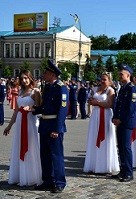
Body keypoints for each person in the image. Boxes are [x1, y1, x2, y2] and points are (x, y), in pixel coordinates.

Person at [33, 60, 69, 193]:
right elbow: (44, 107)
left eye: (46, 73)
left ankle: (59, 182)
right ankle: (47, 180)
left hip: (54, 125)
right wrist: (34, 110)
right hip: (44, 124)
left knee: (56, 155)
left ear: (53, 74)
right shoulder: (47, 87)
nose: (44, 75)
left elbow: (62, 110)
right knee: (45, 155)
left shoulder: (61, 88)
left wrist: (57, 129)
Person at [3, 70, 42, 186]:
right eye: (22, 78)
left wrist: (30, 109)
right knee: (19, 146)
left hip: (30, 122)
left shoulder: (35, 92)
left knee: (31, 147)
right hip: (20, 121)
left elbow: (40, 108)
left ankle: (32, 176)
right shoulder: (19, 92)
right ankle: (20, 174)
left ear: (30, 78)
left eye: (26, 78)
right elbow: (16, 111)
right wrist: (9, 126)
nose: (24, 80)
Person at [83, 73, 120, 174]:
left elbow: (109, 104)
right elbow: (90, 99)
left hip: (106, 115)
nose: (102, 81)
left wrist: (97, 103)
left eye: (105, 79)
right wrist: (91, 102)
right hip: (95, 115)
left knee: (106, 139)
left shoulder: (110, 90)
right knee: (94, 137)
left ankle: (105, 165)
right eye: (101, 79)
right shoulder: (95, 89)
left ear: (109, 81)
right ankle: (94, 164)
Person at [112, 64, 136, 182]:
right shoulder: (123, 88)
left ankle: (128, 172)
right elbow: (118, 105)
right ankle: (123, 170)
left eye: (121, 74)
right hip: (120, 122)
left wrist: (121, 119)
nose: (119, 75)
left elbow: (130, 108)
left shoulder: (132, 89)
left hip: (126, 122)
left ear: (128, 75)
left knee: (126, 147)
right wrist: (115, 117)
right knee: (121, 147)